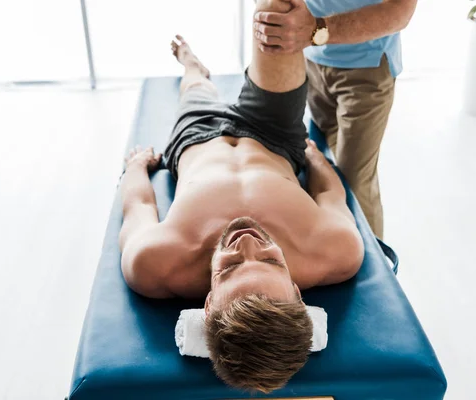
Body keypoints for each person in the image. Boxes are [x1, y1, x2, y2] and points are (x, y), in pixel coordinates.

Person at [118, 0, 364, 393]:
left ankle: (193, 67)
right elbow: (331, 195)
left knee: (196, 89)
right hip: (276, 135)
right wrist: (315, 157)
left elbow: (139, 206)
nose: (248, 240)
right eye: (270, 259)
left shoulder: (155, 265)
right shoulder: (336, 251)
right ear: (296, 293)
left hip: (196, 139)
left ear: (209, 303)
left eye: (229, 265)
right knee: (279, 14)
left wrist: (135, 168)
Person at [253, 0, 417, 239]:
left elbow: (400, 11)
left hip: (365, 66)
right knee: (321, 167)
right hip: (309, 57)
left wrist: (315, 30)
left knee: (355, 181)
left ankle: (376, 270)